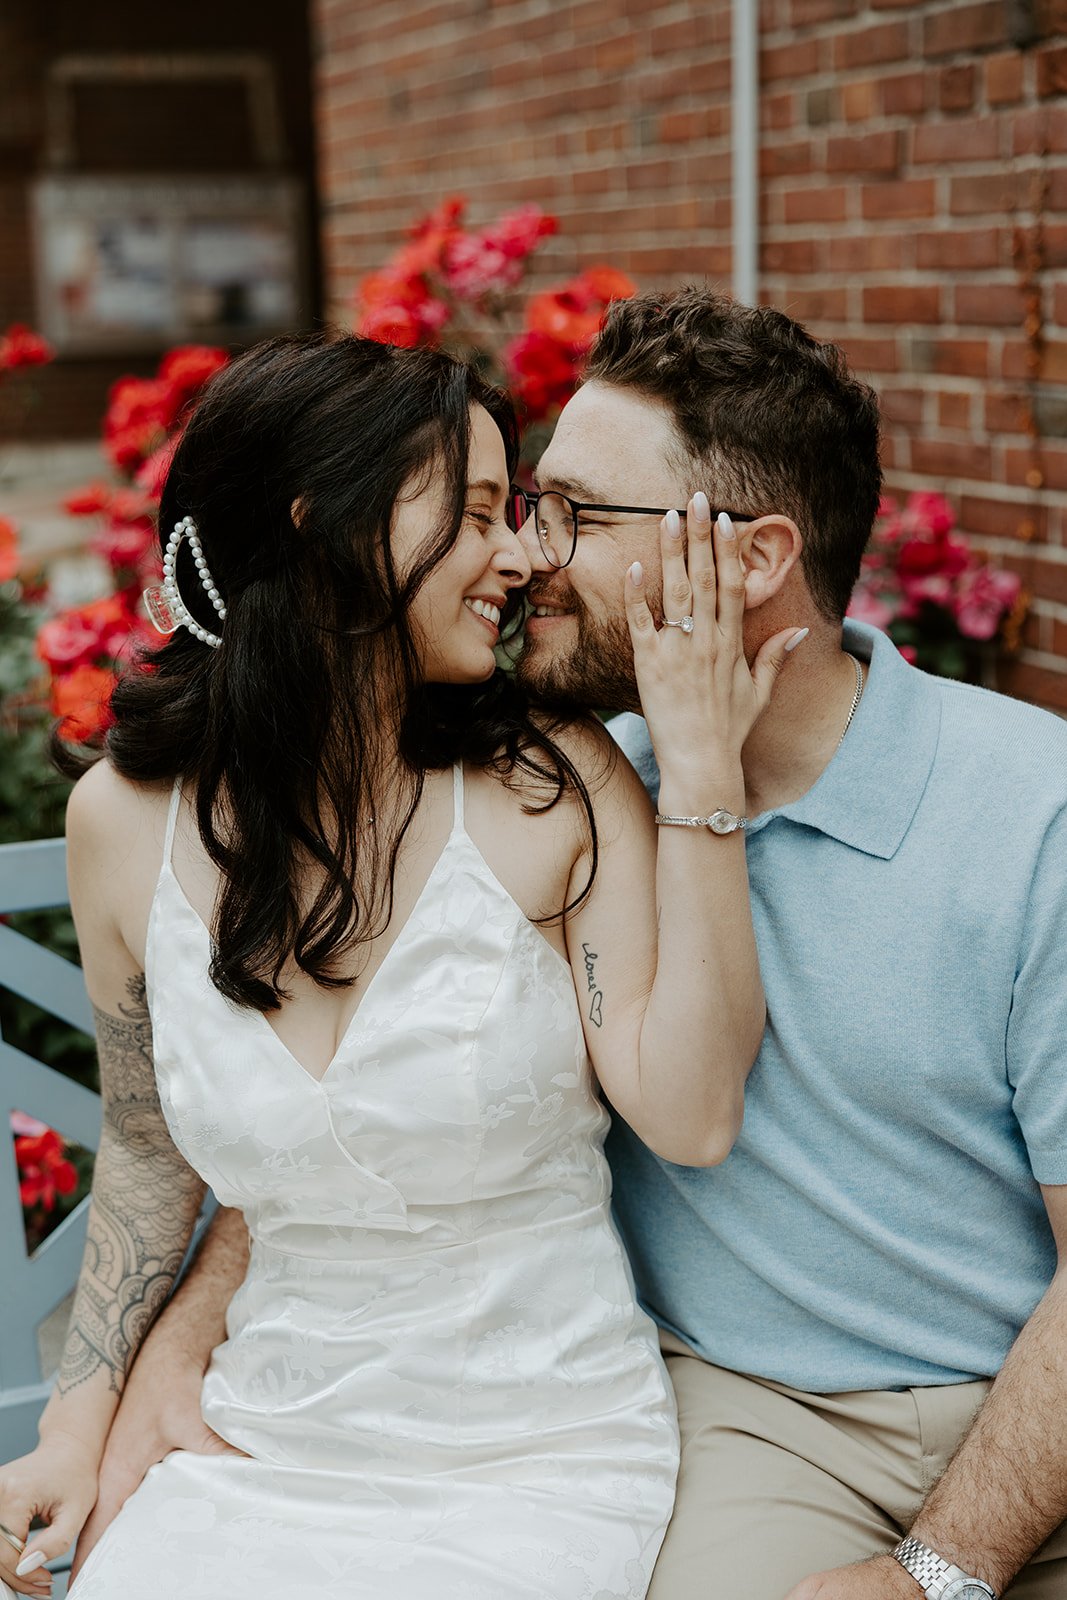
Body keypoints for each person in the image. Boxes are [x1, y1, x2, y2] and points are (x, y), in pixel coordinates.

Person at [68, 290, 1067, 1600]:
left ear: (754, 558)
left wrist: (938, 1569)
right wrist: (164, 1353)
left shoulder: (1029, 813)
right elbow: (348, 1114)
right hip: (750, 1420)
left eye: (573, 517)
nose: (529, 554)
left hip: (1022, 1403)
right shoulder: (575, 792)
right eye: (505, 509)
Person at [0, 332, 803, 1600]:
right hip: (251, 1443)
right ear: (329, 528)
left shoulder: (555, 787)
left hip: (533, 1464)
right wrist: (76, 1423)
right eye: (483, 513)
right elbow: (149, 1152)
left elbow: (692, 1109)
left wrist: (700, 775)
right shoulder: (122, 825)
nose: (525, 554)